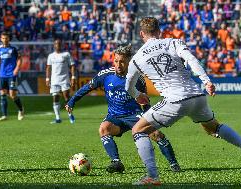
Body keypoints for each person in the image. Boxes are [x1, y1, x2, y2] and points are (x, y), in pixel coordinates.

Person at [125, 17, 241, 185]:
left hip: (175, 99)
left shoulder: (137, 58)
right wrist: (206, 81)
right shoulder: (173, 42)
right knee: (213, 127)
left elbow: (128, 85)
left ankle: (152, 176)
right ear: (159, 31)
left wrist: (137, 95)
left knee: (138, 130)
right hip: (197, 96)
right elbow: (192, 60)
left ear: (142, 34)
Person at [65, 44, 180, 173]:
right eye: (116, 61)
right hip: (115, 117)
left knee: (156, 134)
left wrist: (149, 118)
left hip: (134, 115)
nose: (118, 65)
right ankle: (116, 162)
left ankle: (174, 163)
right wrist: (72, 101)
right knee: (104, 128)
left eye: (122, 62)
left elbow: (145, 101)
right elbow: (87, 88)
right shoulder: (105, 75)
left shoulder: (138, 79)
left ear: (129, 62)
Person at [46, 39, 76, 124]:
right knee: (55, 97)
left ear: (61, 45)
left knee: (66, 97)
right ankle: (58, 118)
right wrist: (47, 79)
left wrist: (73, 77)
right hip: (54, 80)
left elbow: (72, 66)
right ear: (54, 45)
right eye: (56, 44)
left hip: (64, 79)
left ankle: (70, 114)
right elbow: (48, 67)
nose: (57, 45)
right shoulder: (51, 56)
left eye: (59, 44)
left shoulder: (66, 54)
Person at [0, 32, 24, 121]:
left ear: (9, 39)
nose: (5, 40)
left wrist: (16, 69)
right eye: (3, 38)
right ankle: (4, 115)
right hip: (2, 75)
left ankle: (21, 110)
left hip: (11, 74)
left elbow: (19, 59)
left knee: (12, 95)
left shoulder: (13, 48)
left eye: (6, 38)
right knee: (3, 94)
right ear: (1, 39)